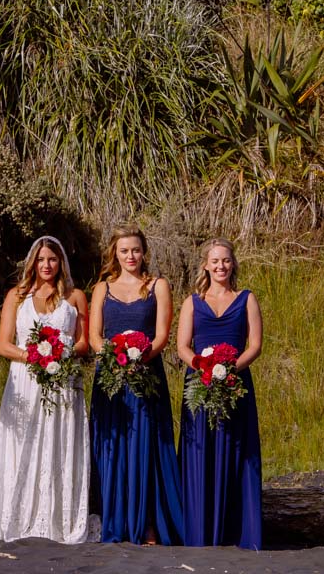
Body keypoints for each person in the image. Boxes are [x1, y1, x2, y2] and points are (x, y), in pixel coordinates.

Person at [0, 236, 96, 543]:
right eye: (41, 259)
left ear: (61, 263)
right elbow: (4, 345)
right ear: (32, 262)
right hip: (24, 380)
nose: (46, 265)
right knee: (22, 443)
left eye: (52, 259)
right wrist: (34, 356)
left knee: (58, 442)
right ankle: (17, 517)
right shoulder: (16, 296)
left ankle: (59, 520)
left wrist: (60, 353)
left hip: (63, 379)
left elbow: (84, 342)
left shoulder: (75, 297)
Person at [89, 224, 184, 546]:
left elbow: (162, 336)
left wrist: (138, 359)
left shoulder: (158, 285)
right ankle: (117, 522)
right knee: (114, 447)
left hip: (147, 375)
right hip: (111, 380)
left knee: (147, 447)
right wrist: (115, 358)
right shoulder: (102, 288)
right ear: (115, 253)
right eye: (124, 250)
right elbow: (93, 337)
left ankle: (149, 526)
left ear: (144, 252)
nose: (131, 256)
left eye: (136, 250)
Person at [175, 238, 263, 549]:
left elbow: (254, 345)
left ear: (233, 263)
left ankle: (238, 531)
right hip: (199, 384)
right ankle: (199, 530)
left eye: (226, 260)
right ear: (205, 265)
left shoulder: (246, 299)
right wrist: (205, 369)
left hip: (235, 384)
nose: (220, 266)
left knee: (237, 449)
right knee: (201, 451)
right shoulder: (192, 302)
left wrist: (229, 371)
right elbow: (182, 347)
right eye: (215, 261)